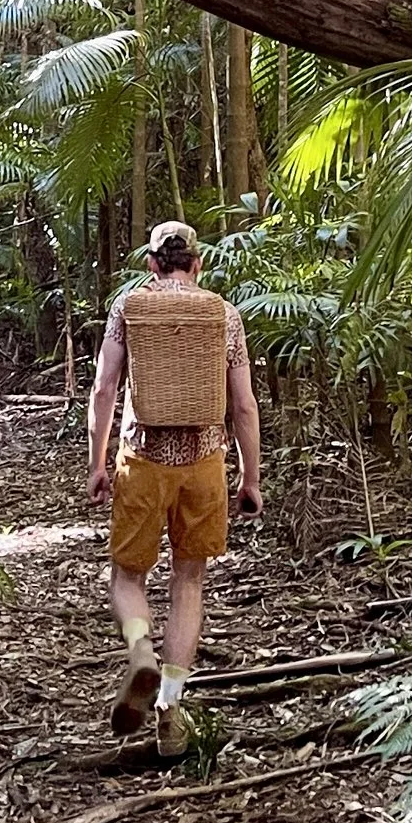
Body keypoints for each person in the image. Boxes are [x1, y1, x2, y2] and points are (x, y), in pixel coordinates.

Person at [88, 218, 261, 757]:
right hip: (205, 463)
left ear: (152, 263)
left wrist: (97, 461)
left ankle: (140, 647)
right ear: (198, 262)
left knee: (126, 576)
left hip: (141, 458)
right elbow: (244, 406)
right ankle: (169, 704)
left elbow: (104, 387)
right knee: (189, 581)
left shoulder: (129, 308)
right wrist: (250, 477)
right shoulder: (223, 315)